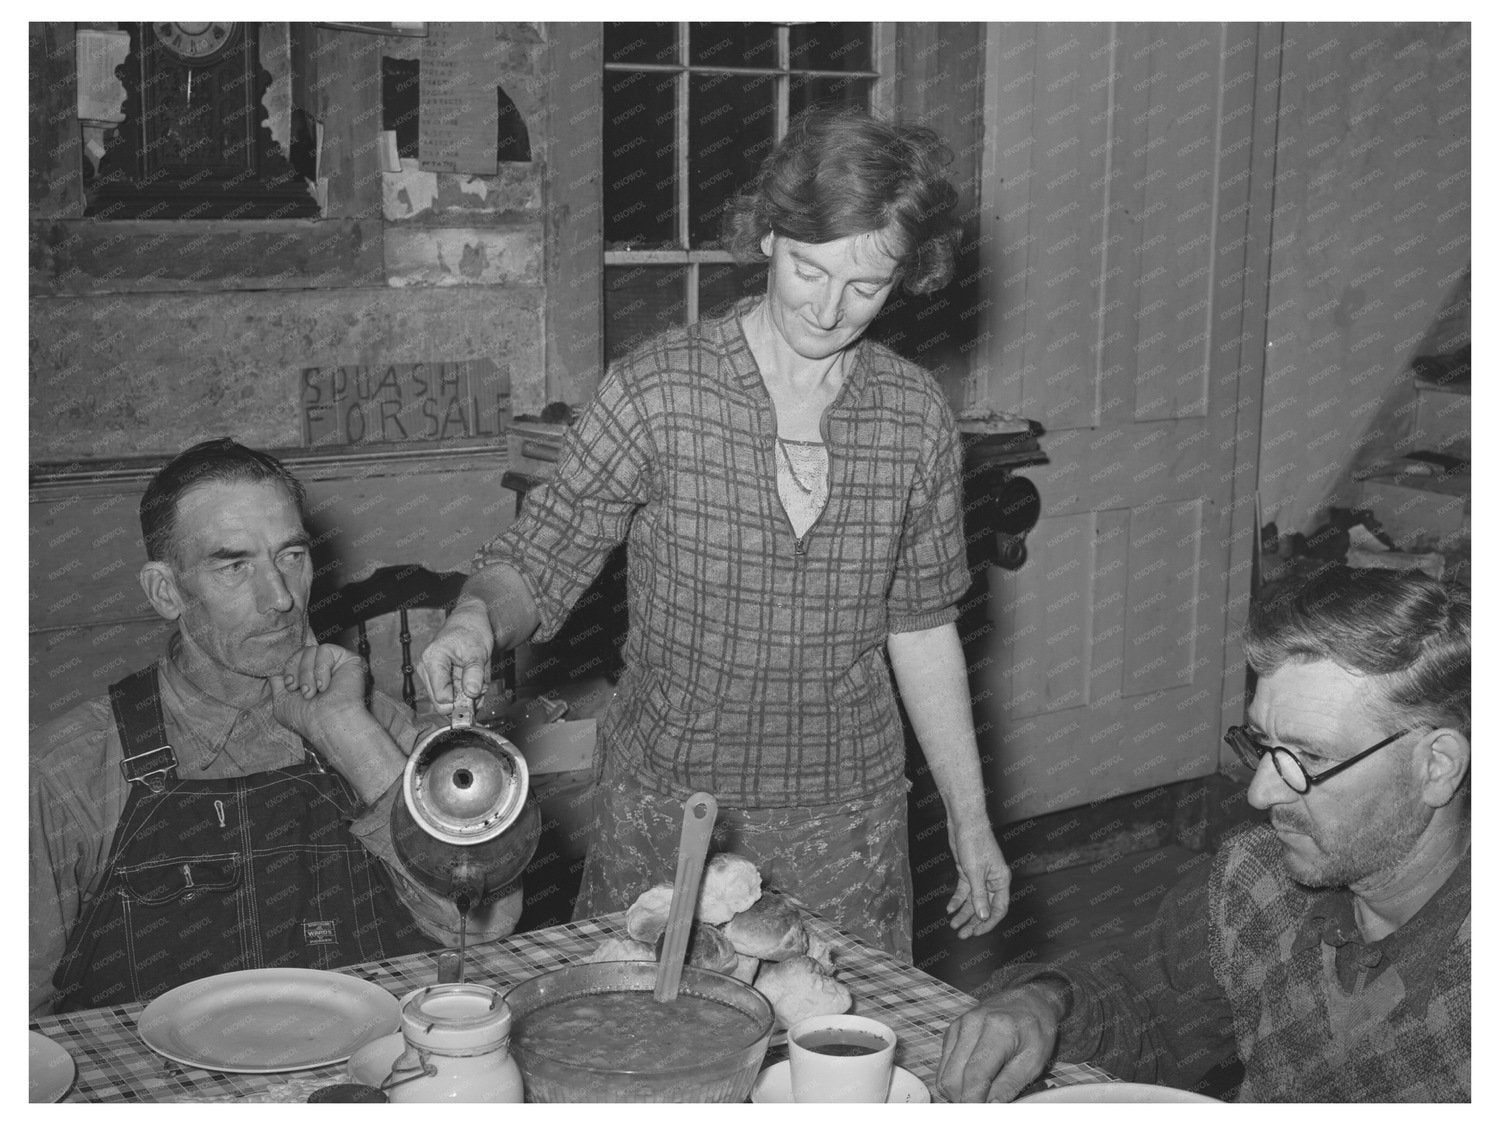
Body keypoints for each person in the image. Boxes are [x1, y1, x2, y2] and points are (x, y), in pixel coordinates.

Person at [420, 106, 1011, 959]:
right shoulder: (660, 390)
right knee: (647, 1054)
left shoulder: (915, 417)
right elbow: (538, 555)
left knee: (829, 1064)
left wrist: (969, 818)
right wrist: (476, 618)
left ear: (907, 274)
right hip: (669, 810)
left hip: (846, 822)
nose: (830, 309)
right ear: (770, 235)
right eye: (809, 269)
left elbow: (921, 627)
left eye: (866, 285)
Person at [937, 566, 1470, 1102]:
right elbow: (1144, 1002)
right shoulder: (1258, 877)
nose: (1260, 795)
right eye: (1263, 746)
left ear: (1438, 766)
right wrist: (1043, 1003)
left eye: (1310, 757)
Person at [29, 439, 521, 1016]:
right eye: (234, 566)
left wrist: (346, 734)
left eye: (291, 556)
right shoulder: (70, 768)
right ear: (166, 591)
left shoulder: (369, 719)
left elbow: (485, 924)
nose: (282, 598)